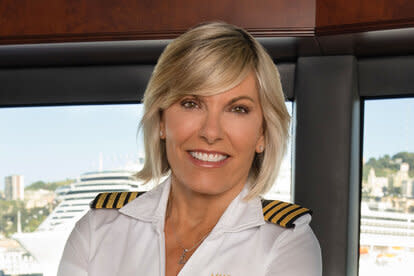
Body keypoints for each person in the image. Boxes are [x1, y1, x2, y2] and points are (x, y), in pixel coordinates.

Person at [57, 22, 322, 276]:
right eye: (191, 103)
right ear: (161, 120)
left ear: (262, 133)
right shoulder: (97, 230)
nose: (210, 132)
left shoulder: (285, 242)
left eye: (238, 109)